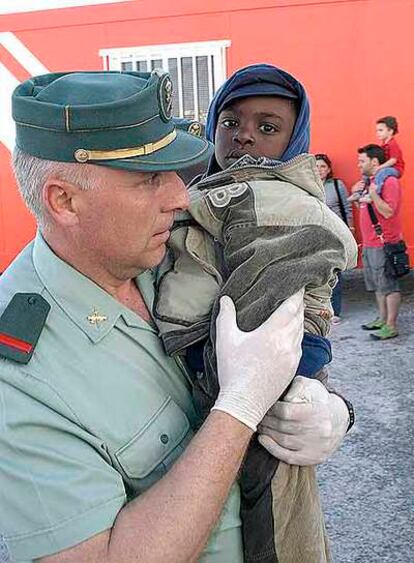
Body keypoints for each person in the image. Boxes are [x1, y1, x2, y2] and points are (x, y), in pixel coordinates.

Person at [0, 70, 351, 563]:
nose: (182, 197)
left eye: (179, 173)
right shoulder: (16, 377)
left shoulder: (176, 248)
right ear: (65, 200)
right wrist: (242, 404)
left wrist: (330, 410)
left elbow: (292, 324)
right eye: (150, 180)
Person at [152, 64, 357, 562]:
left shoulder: (289, 200)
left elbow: (310, 276)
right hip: (204, 381)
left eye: (268, 128)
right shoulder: (190, 192)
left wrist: (328, 400)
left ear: (294, 140)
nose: (245, 136)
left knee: (275, 507)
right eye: (230, 122)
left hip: (279, 366)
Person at [351, 144, 403, 340]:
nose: (359, 164)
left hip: (384, 243)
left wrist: (372, 195)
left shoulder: (388, 182)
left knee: (389, 286)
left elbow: (388, 211)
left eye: (362, 161)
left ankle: (391, 325)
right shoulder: (370, 181)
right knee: (378, 286)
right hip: (370, 243)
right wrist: (359, 196)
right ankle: (381, 319)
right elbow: (365, 208)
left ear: (374, 162)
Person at [315, 153, 354, 323]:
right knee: (317, 275)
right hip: (315, 236)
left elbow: (347, 208)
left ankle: (335, 311)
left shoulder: (337, 185)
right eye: (316, 166)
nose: (320, 169)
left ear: (329, 169)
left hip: (336, 235)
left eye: (323, 166)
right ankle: (319, 311)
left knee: (335, 274)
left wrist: (351, 230)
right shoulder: (308, 186)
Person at [375, 115, 405, 193]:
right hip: (387, 167)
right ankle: (362, 192)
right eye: (377, 130)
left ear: (390, 131)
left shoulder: (392, 144)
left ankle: (376, 191)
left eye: (381, 130)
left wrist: (380, 167)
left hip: (396, 169)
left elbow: (393, 160)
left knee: (382, 172)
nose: (378, 133)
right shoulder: (383, 145)